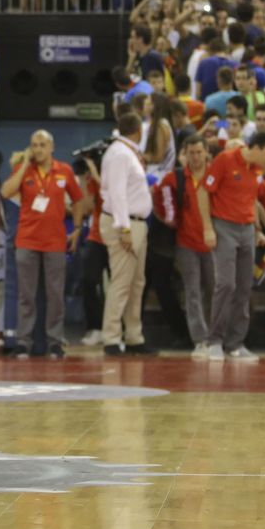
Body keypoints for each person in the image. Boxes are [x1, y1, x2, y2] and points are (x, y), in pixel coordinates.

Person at [201, 130, 265, 361]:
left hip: (247, 230)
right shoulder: (225, 159)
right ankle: (214, 341)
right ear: (256, 148)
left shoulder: (257, 172)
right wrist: (208, 227)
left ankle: (235, 344)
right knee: (226, 284)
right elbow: (204, 191)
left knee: (244, 287)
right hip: (224, 226)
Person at [1, 129, 84, 359]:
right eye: (34, 145)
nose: (38, 149)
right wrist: (24, 164)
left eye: (42, 145)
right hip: (27, 240)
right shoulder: (24, 169)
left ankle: (55, 342)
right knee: (26, 296)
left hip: (55, 242)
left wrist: (77, 228)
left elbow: (78, 200)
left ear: (51, 147)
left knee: (55, 295)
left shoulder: (64, 171)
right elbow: (6, 192)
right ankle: (23, 342)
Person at [155, 134, 216, 358]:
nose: (196, 157)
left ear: (207, 152)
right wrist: (167, 219)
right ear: (185, 154)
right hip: (186, 243)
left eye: (199, 152)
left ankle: (215, 337)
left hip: (213, 243)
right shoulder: (175, 178)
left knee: (214, 290)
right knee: (192, 291)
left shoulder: (215, 176)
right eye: (191, 153)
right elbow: (157, 198)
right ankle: (200, 339)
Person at [99, 112, 150, 356]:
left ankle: (133, 336)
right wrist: (125, 228)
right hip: (125, 223)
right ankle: (111, 337)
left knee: (137, 282)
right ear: (139, 130)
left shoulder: (126, 152)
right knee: (121, 282)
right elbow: (117, 193)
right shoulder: (120, 154)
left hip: (136, 222)